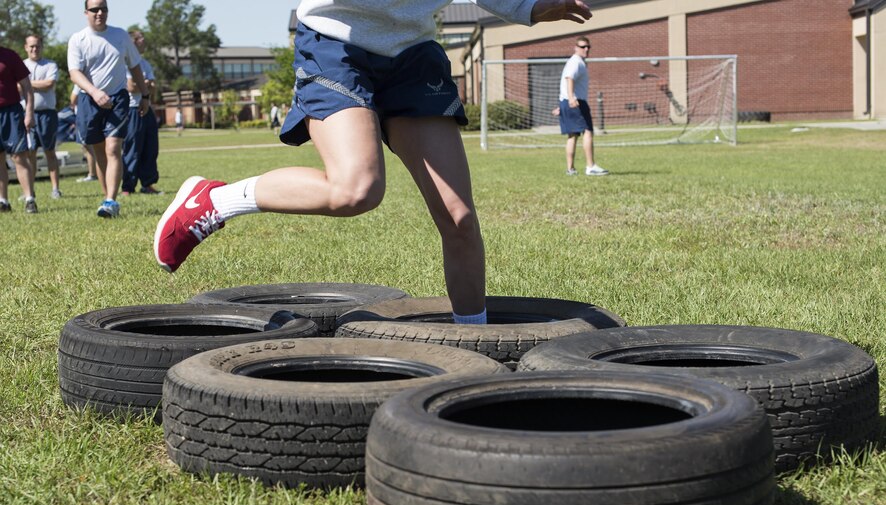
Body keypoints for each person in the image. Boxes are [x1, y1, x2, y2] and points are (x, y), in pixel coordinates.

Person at [154, 0, 592, 325]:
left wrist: (533, 6)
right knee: (356, 189)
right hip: (335, 41)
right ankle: (216, 200)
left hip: (412, 53)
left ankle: (473, 340)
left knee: (459, 218)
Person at [68, 0, 151, 218]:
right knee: (99, 153)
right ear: (86, 12)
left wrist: (145, 95)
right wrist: (94, 92)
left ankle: (111, 200)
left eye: (103, 8)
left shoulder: (121, 36)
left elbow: (134, 66)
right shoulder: (78, 39)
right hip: (89, 100)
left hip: (118, 100)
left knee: (113, 149)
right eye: (94, 9)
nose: (99, 13)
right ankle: (107, 198)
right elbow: (74, 73)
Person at [559, 36, 608, 176]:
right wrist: (571, 98)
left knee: (572, 136)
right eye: (582, 47)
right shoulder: (576, 62)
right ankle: (590, 166)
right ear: (576, 48)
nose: (586, 49)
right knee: (587, 132)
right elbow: (569, 78)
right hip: (576, 101)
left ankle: (570, 169)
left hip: (566, 101)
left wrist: (563, 102)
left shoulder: (575, 62)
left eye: (588, 47)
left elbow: (565, 80)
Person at [121, 29, 161, 196]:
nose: (144, 42)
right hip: (132, 109)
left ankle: (148, 184)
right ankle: (128, 187)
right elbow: (130, 86)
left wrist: (143, 85)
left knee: (151, 148)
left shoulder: (145, 64)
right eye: (141, 40)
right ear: (133, 43)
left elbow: (153, 86)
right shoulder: (124, 63)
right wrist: (144, 84)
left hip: (147, 108)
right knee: (132, 148)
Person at [22, 35, 62, 199]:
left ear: (42, 47)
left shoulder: (50, 65)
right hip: (26, 115)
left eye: (37, 46)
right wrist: (32, 85)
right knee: (30, 153)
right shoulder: (22, 65)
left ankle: (55, 189)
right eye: (31, 46)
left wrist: (27, 84)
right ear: (26, 47)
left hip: (47, 115)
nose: (34, 49)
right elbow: (17, 87)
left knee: (50, 151)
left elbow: (49, 84)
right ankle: (30, 191)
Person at [0, 44, 37, 213]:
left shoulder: (10, 56)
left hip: (11, 112)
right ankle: (3, 201)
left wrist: (29, 112)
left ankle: (29, 199)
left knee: (19, 157)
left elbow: (27, 87)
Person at [70, 85, 101, 185]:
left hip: (85, 116)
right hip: (91, 114)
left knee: (88, 146)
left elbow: (73, 99)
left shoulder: (80, 83)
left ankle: (92, 174)